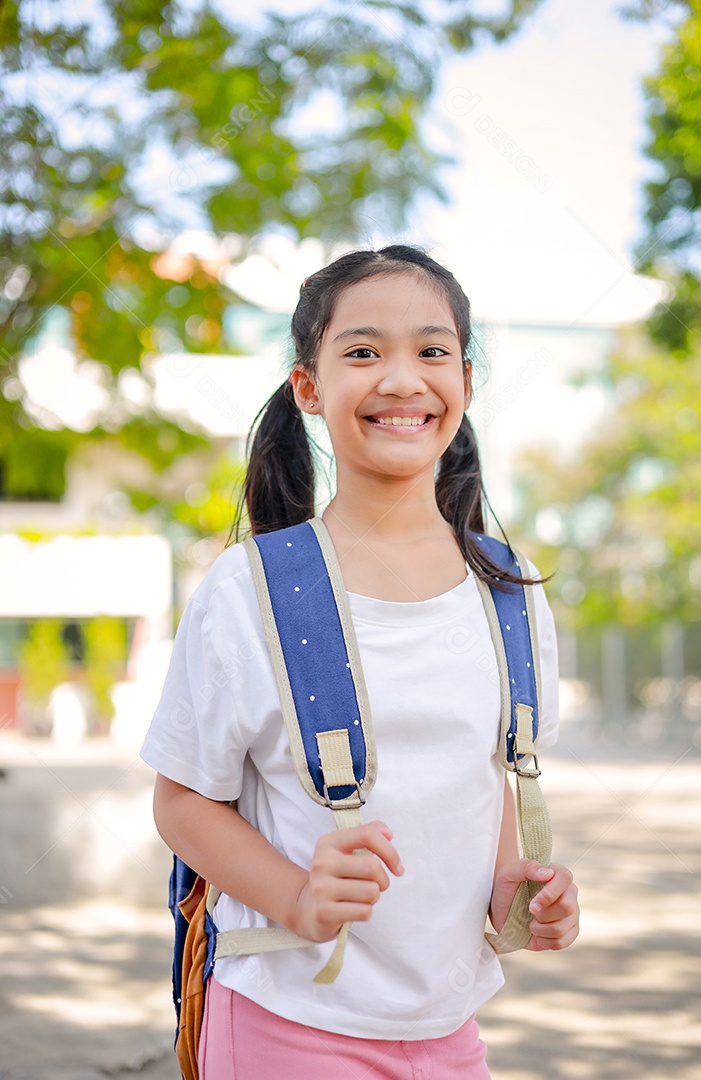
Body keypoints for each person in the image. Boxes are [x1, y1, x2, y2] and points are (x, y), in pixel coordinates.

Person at [141, 245, 580, 1079]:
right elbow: (183, 803)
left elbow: (486, 783)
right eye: (363, 352)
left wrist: (515, 895)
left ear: (467, 380)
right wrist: (296, 894)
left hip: (450, 1026)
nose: (403, 379)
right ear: (309, 386)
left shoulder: (508, 590)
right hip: (285, 1018)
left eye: (433, 350)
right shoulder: (251, 589)